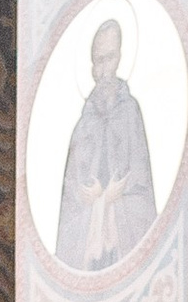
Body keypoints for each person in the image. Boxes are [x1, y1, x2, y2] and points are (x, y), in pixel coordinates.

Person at [54, 19, 159, 273]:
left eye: (109, 59)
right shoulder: (83, 124)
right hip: (85, 241)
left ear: (120, 58)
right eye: (98, 61)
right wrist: (87, 198)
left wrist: (115, 196)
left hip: (124, 234)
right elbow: (71, 194)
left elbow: (141, 182)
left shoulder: (130, 112)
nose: (104, 70)